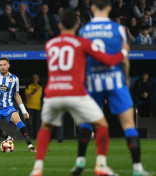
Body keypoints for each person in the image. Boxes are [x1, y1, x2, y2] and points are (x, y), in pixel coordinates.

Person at [29, 9, 129, 176]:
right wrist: (124, 51)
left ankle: (37, 168)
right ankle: (101, 166)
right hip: (75, 92)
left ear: (59, 25)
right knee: (102, 125)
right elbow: (108, 60)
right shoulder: (82, 43)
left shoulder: (49, 45)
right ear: (77, 25)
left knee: (45, 127)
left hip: (53, 94)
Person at [73, 1, 152, 175]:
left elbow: (81, 60)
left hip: (93, 81)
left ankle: (80, 161)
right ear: (109, 9)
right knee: (128, 124)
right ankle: (137, 168)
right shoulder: (118, 29)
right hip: (115, 80)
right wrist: (126, 79)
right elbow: (124, 58)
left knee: (88, 122)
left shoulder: (84, 31)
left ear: (92, 9)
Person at [0, 57, 36, 152]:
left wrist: (24, 111)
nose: (2, 67)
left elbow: (17, 95)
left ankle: (30, 146)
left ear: (8, 65)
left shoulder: (14, 79)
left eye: (4, 65)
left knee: (19, 122)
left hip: (8, 107)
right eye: (0, 65)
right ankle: (8, 138)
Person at [25, 74, 42, 139]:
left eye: (36, 78)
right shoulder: (29, 87)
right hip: (30, 107)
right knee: (30, 123)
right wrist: (34, 91)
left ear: (38, 79)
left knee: (37, 124)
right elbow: (27, 97)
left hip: (38, 108)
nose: (35, 79)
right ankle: (29, 137)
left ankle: (36, 137)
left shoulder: (40, 87)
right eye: (34, 78)